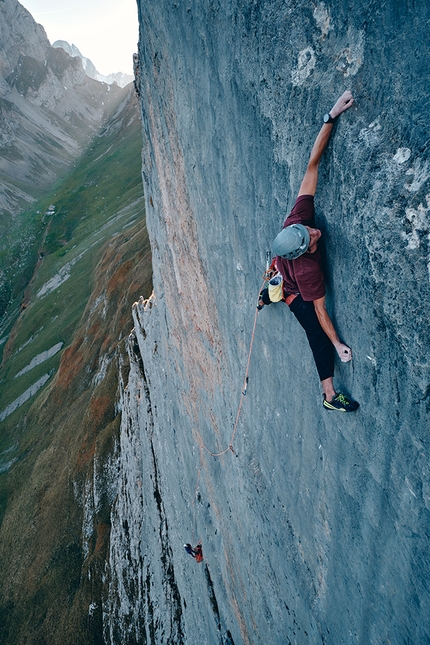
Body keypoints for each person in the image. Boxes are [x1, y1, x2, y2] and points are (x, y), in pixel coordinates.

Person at [259, 90, 359, 412]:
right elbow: (319, 311)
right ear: (302, 251)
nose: (315, 232)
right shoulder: (307, 268)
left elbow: (312, 164)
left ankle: (268, 291)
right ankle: (330, 397)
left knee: (278, 273)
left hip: (282, 265)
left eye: (308, 231)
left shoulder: (298, 219)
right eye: (312, 238)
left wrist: (331, 116)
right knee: (316, 335)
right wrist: (337, 344)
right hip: (296, 293)